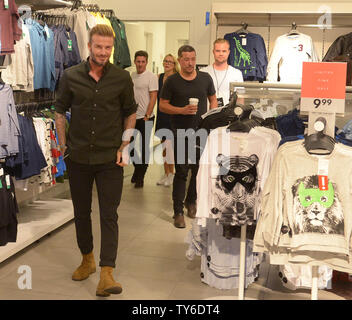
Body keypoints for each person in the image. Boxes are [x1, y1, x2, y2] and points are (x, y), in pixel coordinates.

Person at [55, 24, 137, 297]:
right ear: (89, 46)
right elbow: (59, 112)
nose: (103, 52)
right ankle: (87, 259)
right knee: (81, 213)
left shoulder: (122, 78)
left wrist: (125, 145)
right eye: (99, 46)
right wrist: (63, 145)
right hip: (78, 156)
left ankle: (106, 272)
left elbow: (130, 113)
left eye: (108, 48)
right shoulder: (70, 76)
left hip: (109, 157)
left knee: (109, 215)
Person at [160, 45, 217, 228]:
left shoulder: (205, 78)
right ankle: (177, 212)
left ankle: (191, 202)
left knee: (197, 170)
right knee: (182, 171)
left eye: (193, 59)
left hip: (201, 132)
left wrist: (211, 117)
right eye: (186, 59)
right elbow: (162, 106)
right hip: (180, 132)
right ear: (179, 60)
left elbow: (213, 99)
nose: (190, 62)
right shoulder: (172, 81)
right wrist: (181, 111)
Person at [130, 50, 158, 188]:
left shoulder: (151, 77)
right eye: (138, 61)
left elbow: (153, 96)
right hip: (133, 117)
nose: (140, 64)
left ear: (146, 62)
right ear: (134, 61)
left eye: (143, 62)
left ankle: (140, 176)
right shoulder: (132, 75)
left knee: (144, 148)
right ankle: (137, 168)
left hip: (146, 118)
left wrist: (147, 114)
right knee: (129, 146)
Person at [155, 54, 179, 187]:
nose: (167, 63)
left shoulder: (176, 78)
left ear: (174, 64)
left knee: (170, 146)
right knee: (163, 145)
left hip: (172, 114)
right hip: (161, 114)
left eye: (170, 61)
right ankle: (166, 173)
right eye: (165, 61)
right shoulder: (159, 77)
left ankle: (172, 174)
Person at [201, 38, 244, 107]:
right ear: (213, 52)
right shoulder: (203, 72)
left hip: (228, 115)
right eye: (218, 51)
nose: (221, 54)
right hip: (207, 115)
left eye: (224, 51)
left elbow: (240, 98)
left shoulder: (237, 73)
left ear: (228, 52)